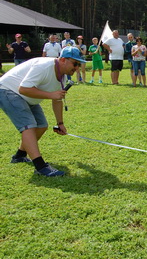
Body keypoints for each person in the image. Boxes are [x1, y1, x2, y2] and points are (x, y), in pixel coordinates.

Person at [0, 46, 86, 177]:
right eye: (75, 63)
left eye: (79, 64)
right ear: (63, 60)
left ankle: (19, 156)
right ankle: (41, 166)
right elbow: (23, 89)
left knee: (41, 126)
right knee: (29, 127)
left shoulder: (62, 77)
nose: (77, 68)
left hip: (28, 97)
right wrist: (51, 95)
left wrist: (60, 123)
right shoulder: (44, 66)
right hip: (8, 91)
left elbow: (57, 100)